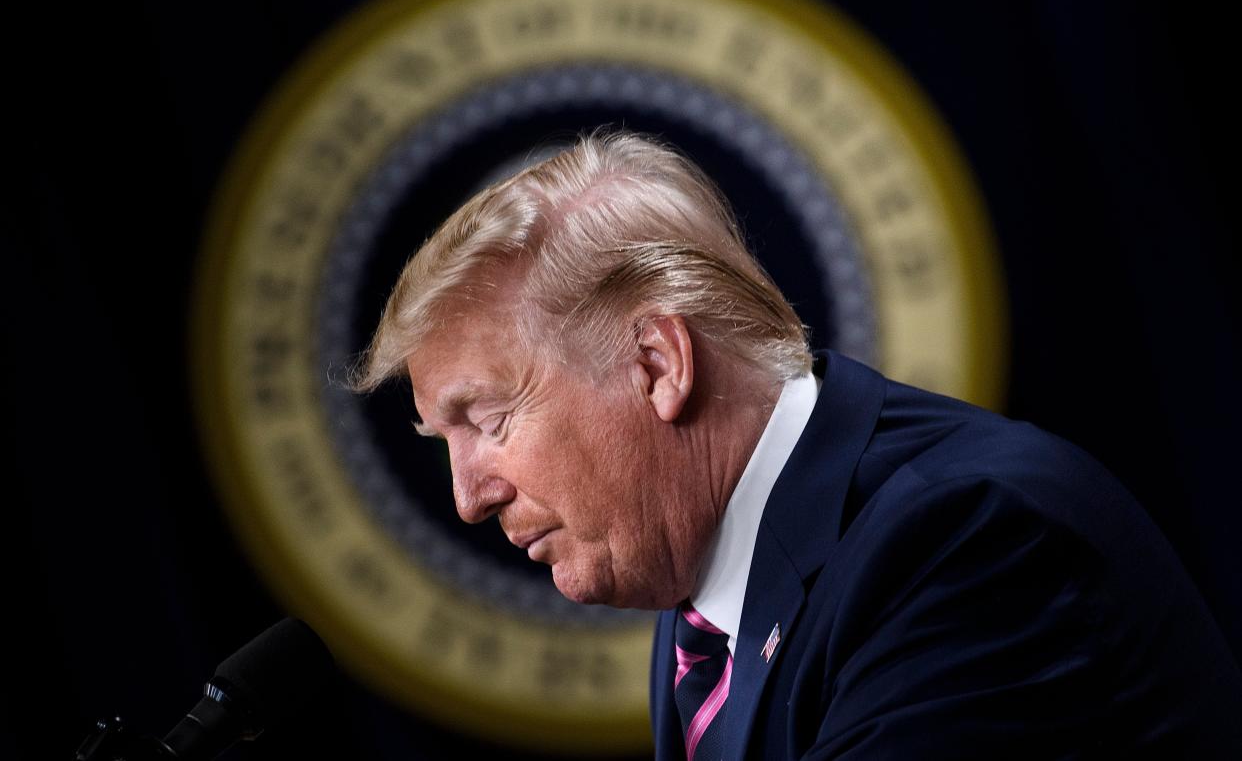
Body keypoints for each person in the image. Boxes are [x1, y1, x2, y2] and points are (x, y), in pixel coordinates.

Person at [352, 131, 1242, 758]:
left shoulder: (962, 540)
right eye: (445, 439)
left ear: (658, 364)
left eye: (490, 419)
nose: (469, 495)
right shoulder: (704, 592)